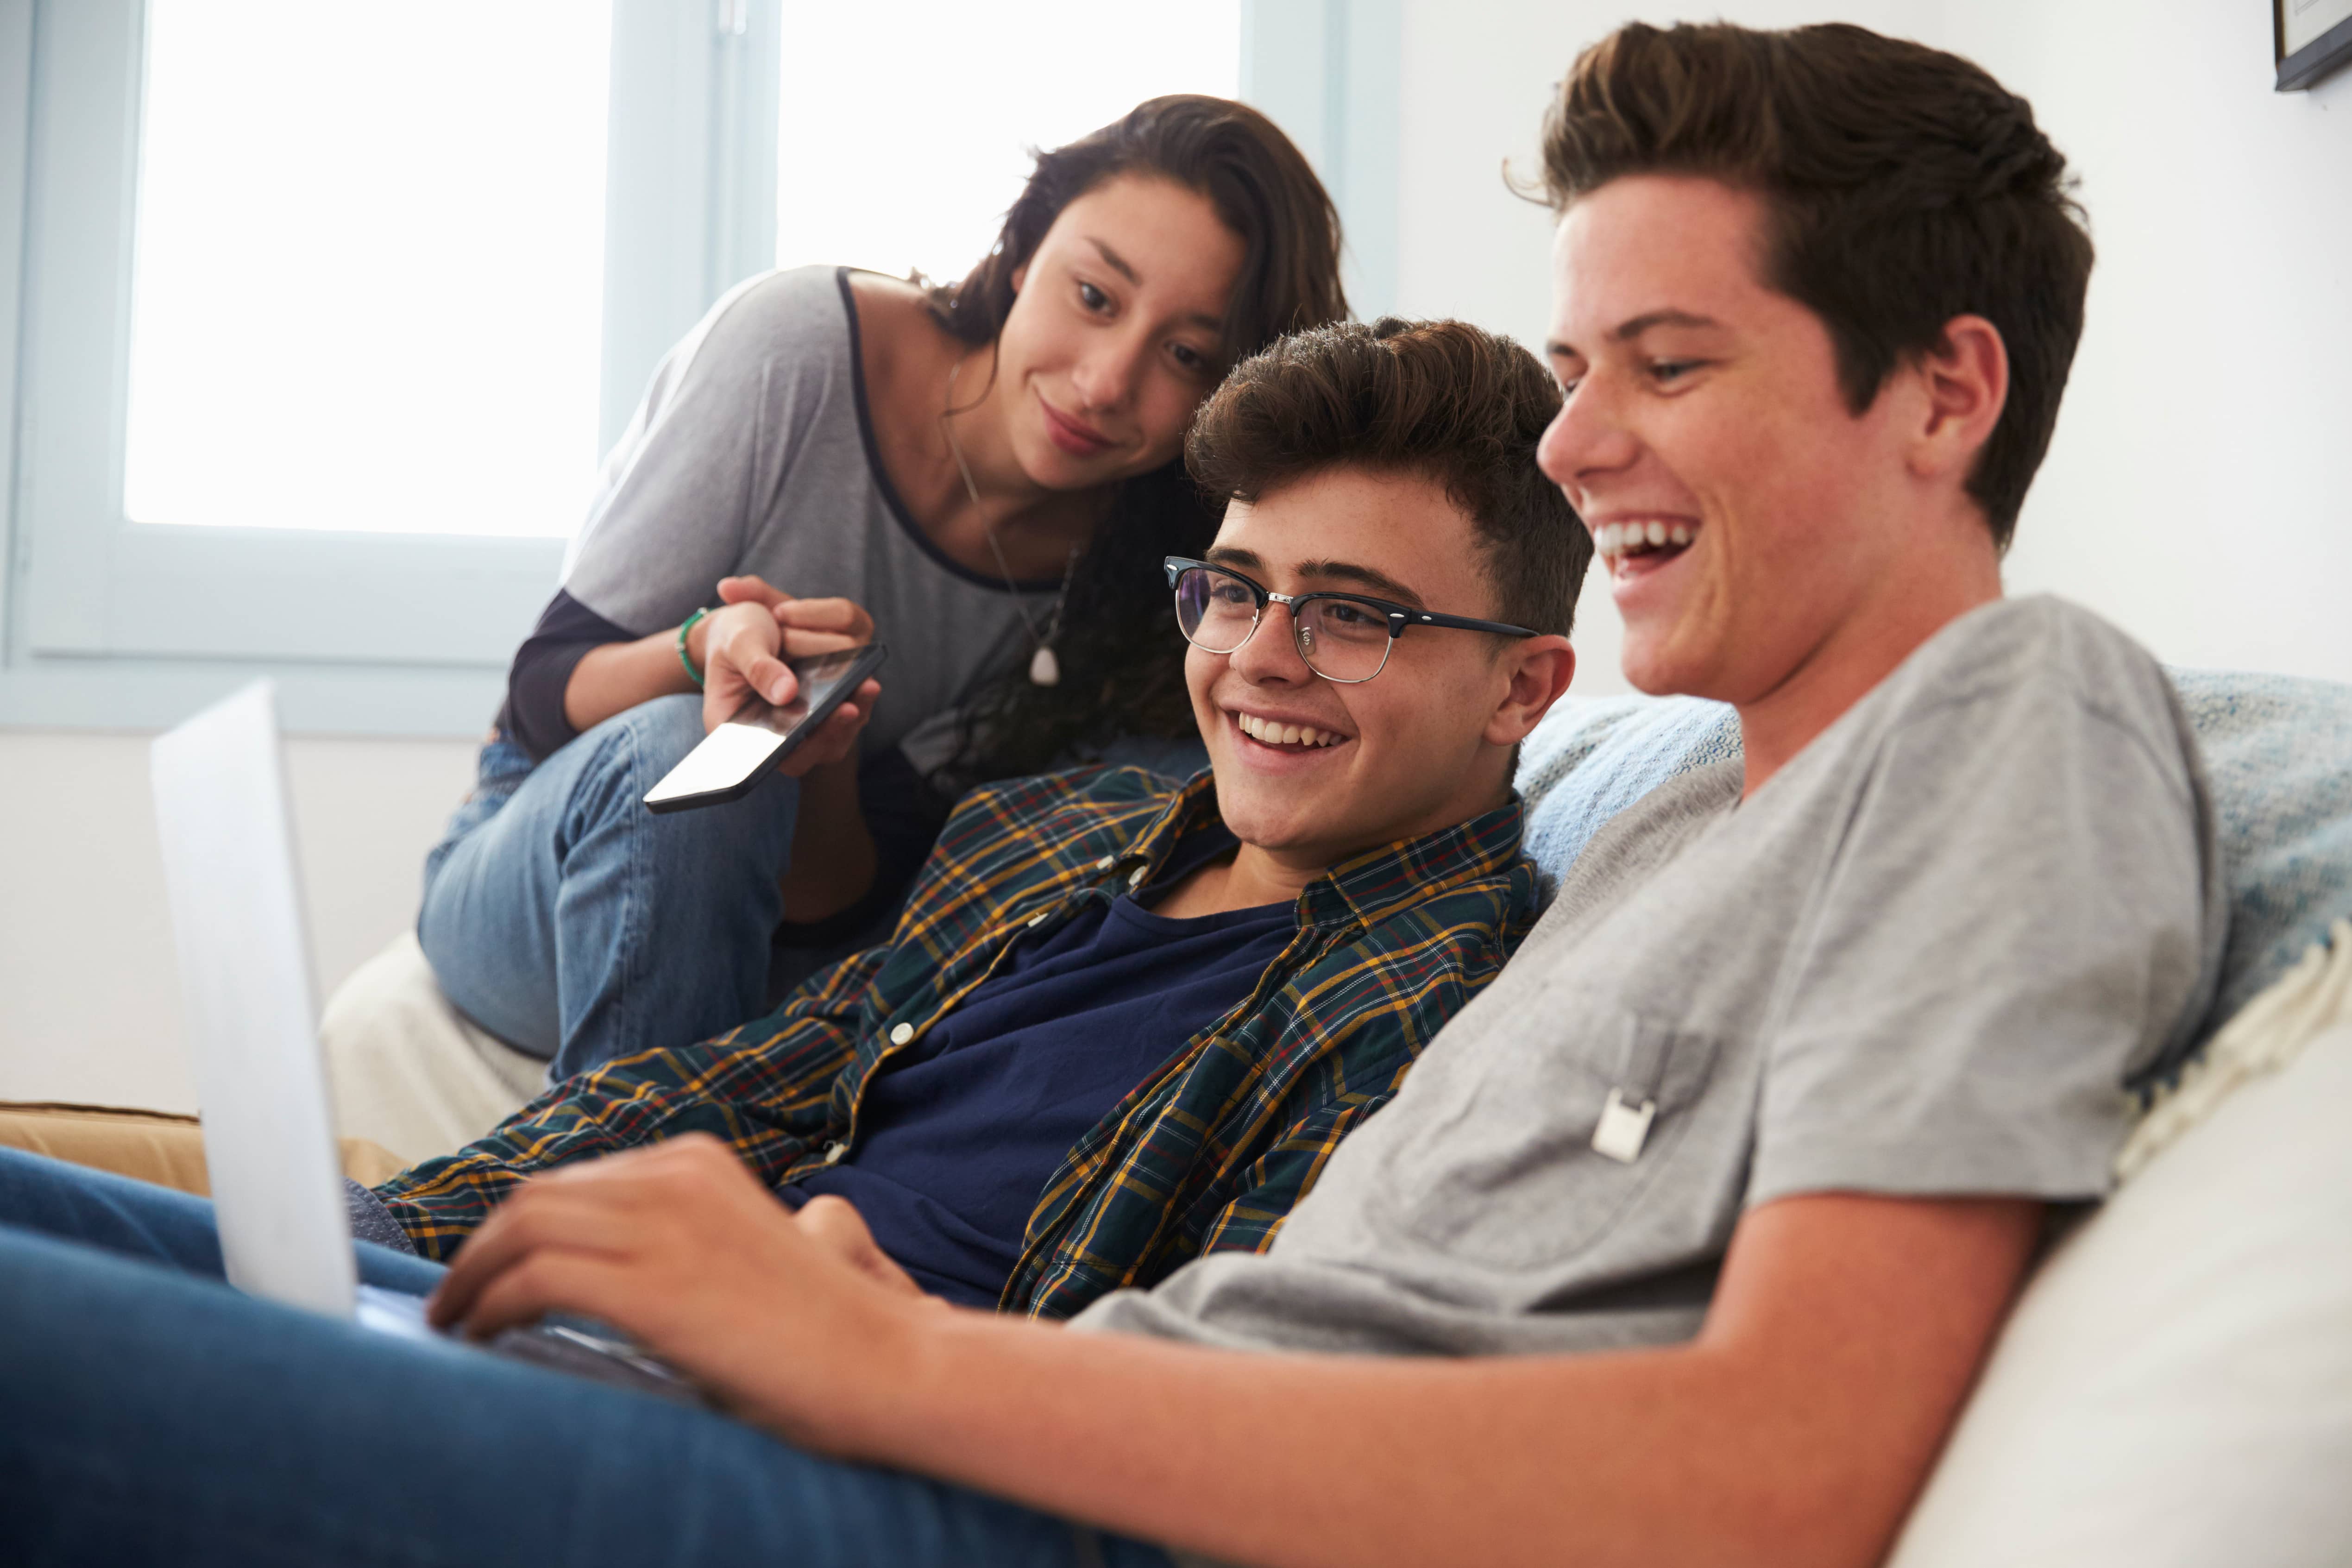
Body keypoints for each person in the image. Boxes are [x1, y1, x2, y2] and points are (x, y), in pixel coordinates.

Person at [0, 22, 2229, 1568]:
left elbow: (1773, 1475)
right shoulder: (1654, 814)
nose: (1569, 449)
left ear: (1943, 393)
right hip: (946, 1427)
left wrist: (871, 1351)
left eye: (1663, 367)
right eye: (1570, 374)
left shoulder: (2013, 715)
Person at [348, 317, 1583, 1314]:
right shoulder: (1057, 831)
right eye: (1231, 591)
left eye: (1351, 615)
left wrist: (866, 1339)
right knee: (168, 1250)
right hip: (658, 1347)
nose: (1256, 660)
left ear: (1520, 687)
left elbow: (1218, 1401)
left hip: (871, 1461)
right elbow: (734, 1086)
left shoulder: (1442, 1019)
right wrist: (390, 1230)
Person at [419, 95, 1349, 1083]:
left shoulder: (1154, 583)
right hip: (547, 864)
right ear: (1028, 249)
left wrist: (819, 751)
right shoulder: (798, 347)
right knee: (690, 747)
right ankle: (612, 1197)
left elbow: (839, 903)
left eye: (1186, 355)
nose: (1105, 382)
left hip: (799, 935)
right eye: (1094, 296)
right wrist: (704, 652)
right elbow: (539, 695)